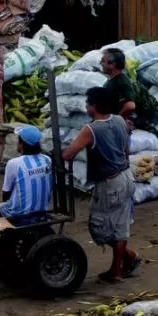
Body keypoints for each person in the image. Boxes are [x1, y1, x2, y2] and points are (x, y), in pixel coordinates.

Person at [63, 87, 139, 283]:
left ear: (94, 106)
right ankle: (122, 265)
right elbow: (126, 149)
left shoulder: (91, 129)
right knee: (120, 226)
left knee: (100, 227)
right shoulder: (119, 120)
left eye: (88, 103)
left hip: (110, 182)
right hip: (126, 176)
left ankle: (124, 262)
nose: (86, 107)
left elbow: (69, 154)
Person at [0, 126, 52, 276]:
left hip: (19, 212)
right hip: (42, 208)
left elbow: (6, 193)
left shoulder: (14, 163)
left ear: (22, 144)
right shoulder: (47, 159)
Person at [100, 48, 136, 123]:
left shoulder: (122, 81)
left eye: (103, 61)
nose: (101, 63)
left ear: (113, 64)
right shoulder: (113, 79)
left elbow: (130, 105)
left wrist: (115, 121)